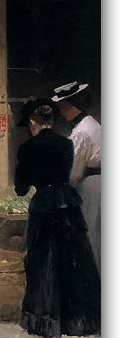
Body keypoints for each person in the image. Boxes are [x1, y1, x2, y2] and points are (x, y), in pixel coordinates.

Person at [14, 98, 101, 338]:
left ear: (32, 121)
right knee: (73, 258)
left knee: (43, 260)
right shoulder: (65, 144)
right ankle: (78, 320)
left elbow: (20, 188)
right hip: (67, 202)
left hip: (44, 203)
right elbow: (69, 174)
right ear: (52, 120)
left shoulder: (27, 148)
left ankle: (44, 320)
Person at [51, 81, 101, 273]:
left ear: (73, 106)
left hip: (91, 188)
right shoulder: (92, 124)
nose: (61, 112)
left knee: (90, 236)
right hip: (101, 184)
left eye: (63, 107)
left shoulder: (82, 132)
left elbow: (74, 172)